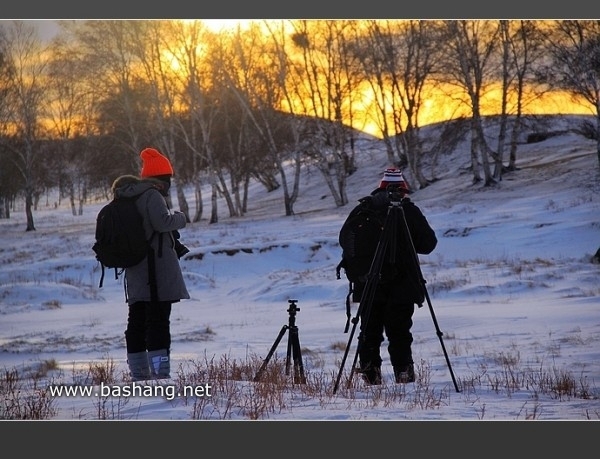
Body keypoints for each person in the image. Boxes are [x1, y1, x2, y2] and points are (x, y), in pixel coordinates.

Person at [341, 168, 437, 385]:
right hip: (401, 285)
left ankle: (370, 375)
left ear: (380, 187)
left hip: (367, 284)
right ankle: (404, 374)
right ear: (403, 189)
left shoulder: (363, 210)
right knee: (400, 332)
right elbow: (428, 245)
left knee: (369, 332)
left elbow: (346, 243)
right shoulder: (408, 211)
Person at [111, 147, 190, 381]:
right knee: (158, 323)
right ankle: (160, 373)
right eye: (168, 179)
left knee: (136, 322)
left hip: (135, 270)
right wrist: (181, 217)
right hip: (156, 271)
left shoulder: (129, 195)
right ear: (162, 179)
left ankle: (139, 373)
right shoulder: (152, 195)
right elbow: (162, 222)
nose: (169, 183)